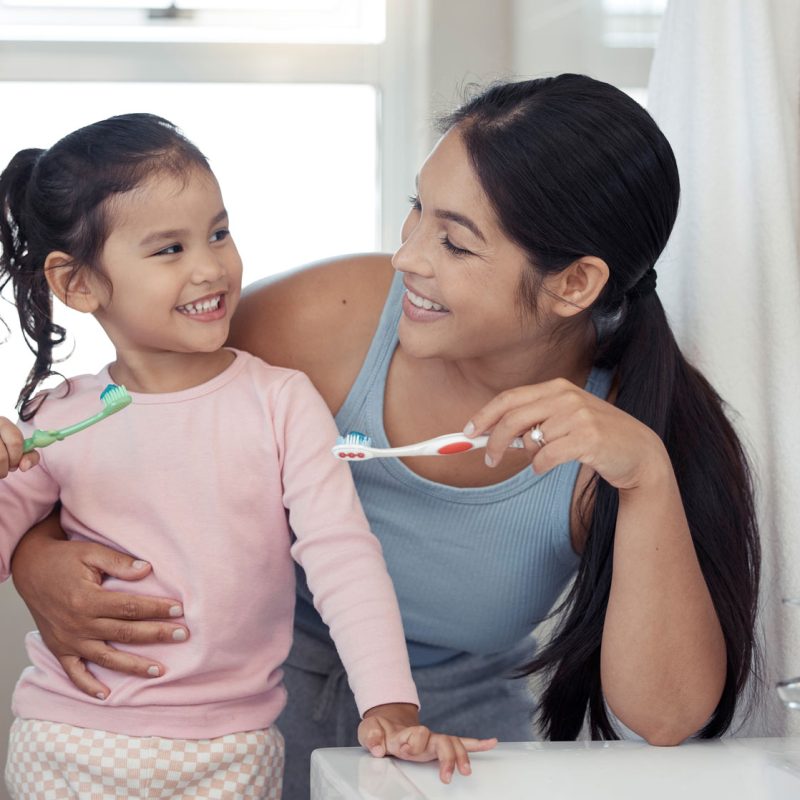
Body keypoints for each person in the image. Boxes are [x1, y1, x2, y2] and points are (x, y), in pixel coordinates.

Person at [9, 74, 761, 799]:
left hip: (447, 744)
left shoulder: (625, 437)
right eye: (417, 211)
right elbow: (131, 417)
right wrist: (34, 557)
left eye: (456, 243)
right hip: (243, 715)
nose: (407, 257)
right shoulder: (324, 318)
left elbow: (663, 721)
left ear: (573, 284)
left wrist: (648, 480)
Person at [0, 113, 495, 800]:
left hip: (233, 754)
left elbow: (342, 554)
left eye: (219, 233)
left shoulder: (282, 402)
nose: (211, 266)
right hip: (69, 742)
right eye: (169, 249)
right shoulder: (55, 420)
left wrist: (389, 703)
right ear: (79, 284)